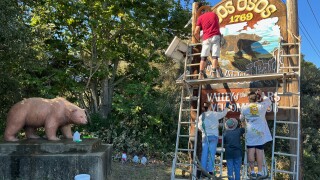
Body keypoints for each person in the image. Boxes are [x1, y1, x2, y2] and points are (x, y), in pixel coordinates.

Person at [240, 89, 272, 179]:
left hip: (250, 132)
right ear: (257, 98)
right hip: (260, 132)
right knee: (259, 151)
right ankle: (260, 172)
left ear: (248, 99)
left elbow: (241, 118)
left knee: (250, 150)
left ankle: (252, 171)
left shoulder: (244, 108)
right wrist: (262, 94)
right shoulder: (261, 106)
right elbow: (268, 101)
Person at [198, 101, 230, 177]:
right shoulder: (215, 114)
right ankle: (210, 171)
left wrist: (204, 130)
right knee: (211, 154)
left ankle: (203, 171)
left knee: (204, 154)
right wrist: (226, 106)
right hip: (214, 136)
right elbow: (223, 114)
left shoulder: (201, 116)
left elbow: (199, 127)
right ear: (209, 107)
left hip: (205, 136)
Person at [194, 9, 221, 79]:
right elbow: (217, 25)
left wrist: (198, 39)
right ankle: (214, 73)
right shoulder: (214, 15)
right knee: (215, 56)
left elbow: (196, 31)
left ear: (201, 13)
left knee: (203, 57)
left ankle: (201, 74)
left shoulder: (200, 18)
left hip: (206, 38)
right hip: (216, 36)